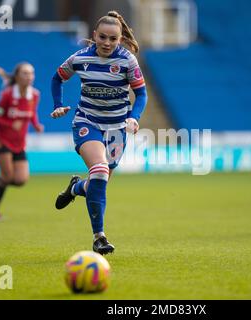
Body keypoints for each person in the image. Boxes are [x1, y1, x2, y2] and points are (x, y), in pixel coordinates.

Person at [50, 11, 148, 254]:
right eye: (102, 37)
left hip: (117, 128)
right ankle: (99, 237)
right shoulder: (80, 58)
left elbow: (142, 94)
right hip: (88, 122)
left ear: (120, 38)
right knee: (100, 170)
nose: (106, 42)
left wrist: (133, 118)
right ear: (94, 35)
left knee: (98, 182)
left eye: (112, 39)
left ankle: (75, 188)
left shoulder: (128, 61)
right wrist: (57, 105)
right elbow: (57, 78)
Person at [0, 62, 44, 220]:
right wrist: (10, 124)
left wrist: (36, 125)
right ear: (17, 77)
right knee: (7, 177)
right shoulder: (7, 95)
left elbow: (32, 113)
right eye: (25, 73)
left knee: (21, 180)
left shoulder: (35, 95)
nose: (29, 76)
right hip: (2, 140)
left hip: (19, 143)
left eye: (31, 73)